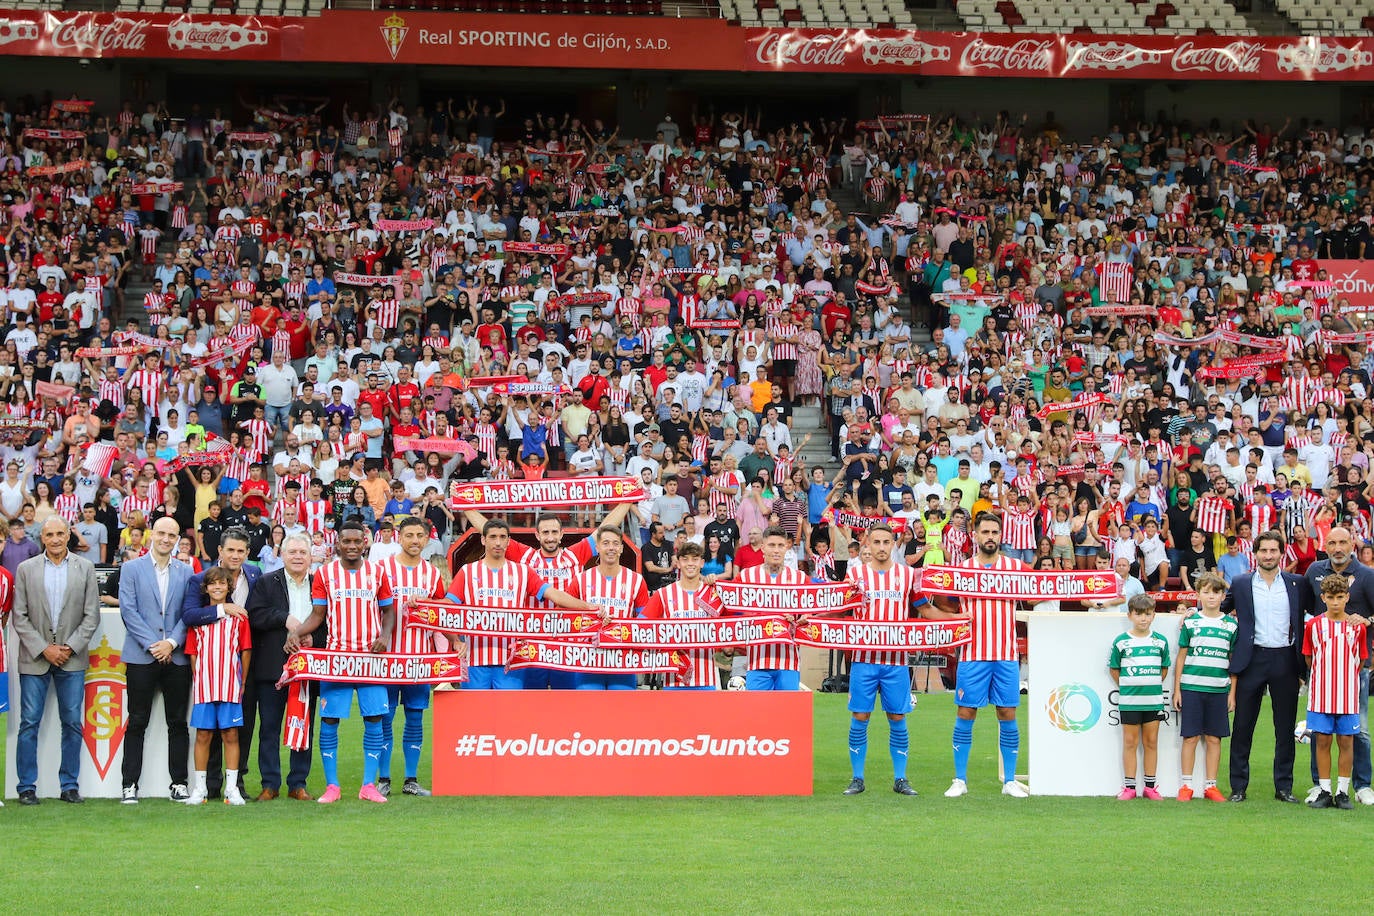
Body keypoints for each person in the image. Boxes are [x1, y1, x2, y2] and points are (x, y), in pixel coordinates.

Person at [284, 520, 396, 804]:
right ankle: (333, 786)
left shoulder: (377, 573)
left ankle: (368, 785)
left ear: (365, 542)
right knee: (330, 721)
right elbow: (317, 615)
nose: (352, 546)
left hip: (370, 660)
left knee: (374, 720)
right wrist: (295, 633)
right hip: (336, 659)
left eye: (357, 541)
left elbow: (389, 611)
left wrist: (384, 635)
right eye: (346, 541)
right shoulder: (325, 574)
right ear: (338, 543)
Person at [935, 511, 1031, 798]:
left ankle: (1010, 780)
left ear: (1001, 535)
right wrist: (956, 615)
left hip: (1004, 653)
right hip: (972, 654)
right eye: (985, 532)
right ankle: (959, 780)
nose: (990, 537)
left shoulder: (1015, 567)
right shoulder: (961, 570)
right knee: (966, 712)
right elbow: (942, 601)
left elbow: (1041, 590)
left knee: (1007, 712)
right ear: (974, 535)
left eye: (994, 532)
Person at [10, 517, 101, 804]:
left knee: (73, 723)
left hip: (71, 660)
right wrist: (44, 649)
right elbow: (19, 617)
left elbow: (92, 615)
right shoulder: (26, 569)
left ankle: (69, 785)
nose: (55, 539)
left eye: (60, 533)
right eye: (49, 534)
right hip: (35, 659)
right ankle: (26, 787)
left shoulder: (85, 568)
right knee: (29, 723)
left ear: (67, 535)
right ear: (42, 538)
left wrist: (69, 647)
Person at [445, 519, 591, 689]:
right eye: (493, 537)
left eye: (502, 537)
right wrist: (454, 640)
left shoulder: (522, 571)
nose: (498, 542)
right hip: (475, 658)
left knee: (510, 714)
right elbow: (447, 608)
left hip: (512, 660)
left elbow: (556, 596)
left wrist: (589, 607)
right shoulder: (468, 571)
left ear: (508, 541)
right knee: (476, 714)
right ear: (483, 540)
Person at [1223, 530, 1314, 803]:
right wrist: (1190, 611)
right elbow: (1220, 608)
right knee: (1243, 725)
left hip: (1286, 658)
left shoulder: (1297, 583)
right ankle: (1238, 786)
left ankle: (1283, 787)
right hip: (1251, 659)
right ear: (1256, 553)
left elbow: (1319, 611)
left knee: (1284, 727)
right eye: (1263, 550)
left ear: (1281, 552)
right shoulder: (1240, 583)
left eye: (1273, 550)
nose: (1268, 555)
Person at [836, 524, 923, 797]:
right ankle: (857, 778)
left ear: (893, 543)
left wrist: (954, 621)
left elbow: (923, 607)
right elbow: (839, 609)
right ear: (867, 543)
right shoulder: (855, 574)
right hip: (864, 660)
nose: (882, 547)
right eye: (877, 542)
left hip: (896, 661)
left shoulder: (908, 575)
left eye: (887, 541)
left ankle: (901, 778)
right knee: (860, 716)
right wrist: (811, 618)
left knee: (897, 717)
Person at [180, 528, 262, 799]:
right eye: (231, 550)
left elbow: (253, 624)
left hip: (237, 672)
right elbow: (190, 615)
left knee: (238, 728)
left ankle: (235, 785)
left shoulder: (255, 575)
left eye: (241, 551)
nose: (236, 555)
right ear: (220, 551)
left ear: (247, 553)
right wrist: (222, 608)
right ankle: (208, 785)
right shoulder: (200, 579)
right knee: (206, 732)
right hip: (208, 675)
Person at [118, 516, 195, 804]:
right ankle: (129, 784)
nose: (166, 539)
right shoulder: (131, 568)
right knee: (137, 721)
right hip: (141, 657)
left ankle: (179, 783)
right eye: (161, 533)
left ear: (177, 539)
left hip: (176, 658)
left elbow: (188, 613)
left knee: (177, 722)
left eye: (172, 535)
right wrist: (155, 645)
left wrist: (172, 642)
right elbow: (128, 610)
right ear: (153, 535)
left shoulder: (186, 572)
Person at [376, 516, 451, 796]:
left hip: (419, 661)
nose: (415, 540)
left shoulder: (432, 575)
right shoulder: (381, 569)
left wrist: (454, 642)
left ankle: (410, 780)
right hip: (387, 660)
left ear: (427, 538)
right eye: (409, 535)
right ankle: (383, 779)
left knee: (415, 718)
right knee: (384, 718)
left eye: (420, 535)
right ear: (399, 537)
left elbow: (441, 615)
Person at [1302, 525, 1374, 806]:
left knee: (1360, 731)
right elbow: (1306, 610)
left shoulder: (1367, 575)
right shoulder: (1314, 572)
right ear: (1325, 545)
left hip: (1353, 670)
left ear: (1352, 543)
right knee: (1319, 734)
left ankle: (1361, 784)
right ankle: (1320, 786)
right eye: (1332, 543)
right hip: (1323, 676)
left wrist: (1368, 621)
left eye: (1343, 542)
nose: (1338, 548)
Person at [243, 532, 317, 801]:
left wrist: (311, 635)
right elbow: (255, 615)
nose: (297, 556)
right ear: (282, 555)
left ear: (311, 557)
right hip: (272, 667)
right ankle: (270, 784)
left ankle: (298, 783)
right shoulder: (266, 582)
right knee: (269, 728)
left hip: (308, 669)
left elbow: (329, 620)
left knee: (304, 726)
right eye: (292, 552)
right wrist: (284, 619)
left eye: (302, 552)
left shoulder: (319, 584)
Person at [184, 567, 252, 806]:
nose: (217, 587)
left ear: (228, 587)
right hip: (205, 685)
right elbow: (192, 652)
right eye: (212, 584)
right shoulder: (199, 618)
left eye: (222, 583)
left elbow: (245, 650)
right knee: (203, 735)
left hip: (230, 684)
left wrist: (241, 681)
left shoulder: (239, 617)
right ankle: (200, 789)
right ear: (206, 588)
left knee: (230, 734)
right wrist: (199, 677)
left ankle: (231, 789)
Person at [1172, 572, 1238, 803]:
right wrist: (1177, 689)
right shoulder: (1190, 621)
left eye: (1216, 592)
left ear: (1223, 596)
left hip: (1219, 689)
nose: (1211, 597)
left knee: (1214, 739)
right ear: (1198, 594)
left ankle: (1211, 786)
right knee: (1190, 738)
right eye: (1206, 592)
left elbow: (1233, 661)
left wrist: (1232, 693)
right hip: (1191, 687)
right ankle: (1186, 786)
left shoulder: (1231, 625)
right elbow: (1181, 658)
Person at [1110, 594, 1170, 800]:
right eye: (1138, 614)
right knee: (1130, 742)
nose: (1143, 618)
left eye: (1147, 614)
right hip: (1129, 702)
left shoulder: (1160, 641)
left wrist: (1149, 685)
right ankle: (1129, 788)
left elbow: (1164, 669)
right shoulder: (1121, 642)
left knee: (1151, 742)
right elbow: (1114, 670)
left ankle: (1150, 787)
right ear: (1130, 615)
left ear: (1153, 615)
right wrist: (1129, 687)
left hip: (1153, 701)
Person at [574, 526, 650, 689]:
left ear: (621, 548)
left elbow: (644, 621)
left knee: (622, 713)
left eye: (615, 544)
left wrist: (618, 627)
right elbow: (566, 617)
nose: (611, 548)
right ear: (597, 548)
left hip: (622, 661)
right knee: (588, 712)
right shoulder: (581, 579)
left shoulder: (636, 580)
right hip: (588, 660)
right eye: (606, 543)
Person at [731, 526, 805, 690]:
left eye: (780, 545)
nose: (776, 550)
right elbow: (725, 603)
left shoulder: (799, 578)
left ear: (787, 547)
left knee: (787, 713)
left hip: (789, 660)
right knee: (758, 714)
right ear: (763, 547)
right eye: (772, 545)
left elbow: (821, 602)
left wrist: (803, 618)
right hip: (757, 660)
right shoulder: (746, 576)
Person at [642, 541, 723, 692]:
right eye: (685, 559)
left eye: (695, 559)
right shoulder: (664, 594)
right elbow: (640, 627)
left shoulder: (714, 593)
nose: (690, 563)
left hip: (706, 678)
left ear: (702, 563)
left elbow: (734, 623)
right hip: (673, 680)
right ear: (678, 563)